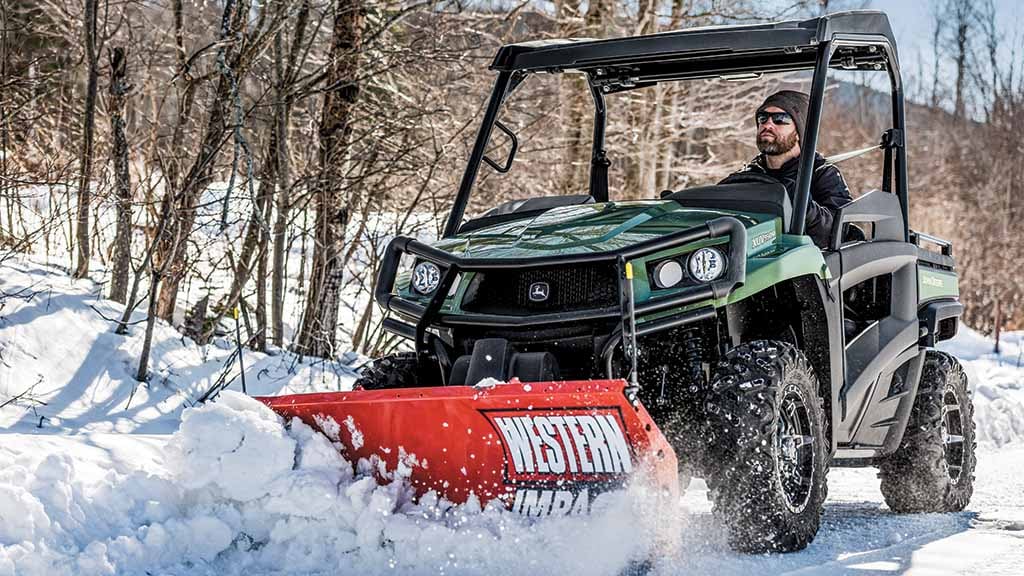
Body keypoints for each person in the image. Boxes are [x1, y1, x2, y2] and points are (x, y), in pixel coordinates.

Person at [721, 90, 851, 248]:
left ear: (799, 132)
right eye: (763, 118)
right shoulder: (746, 176)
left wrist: (798, 198)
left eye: (779, 119)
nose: (768, 125)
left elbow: (837, 232)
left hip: (802, 264)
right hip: (749, 259)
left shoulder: (822, 173)